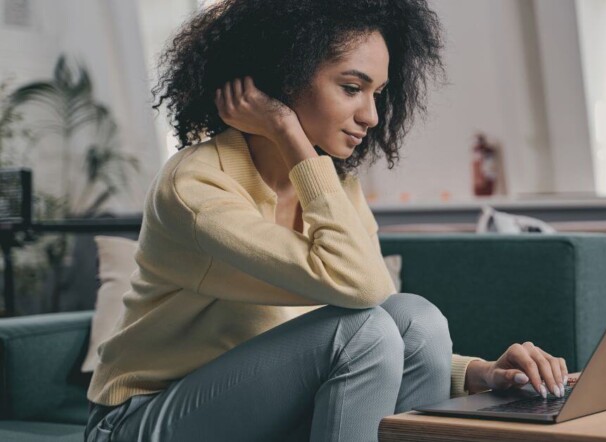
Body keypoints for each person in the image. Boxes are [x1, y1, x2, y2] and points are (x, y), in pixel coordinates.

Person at [84, 1, 568, 440]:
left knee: (417, 319)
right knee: (366, 329)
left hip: (253, 404)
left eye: (378, 93)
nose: (373, 115)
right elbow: (362, 291)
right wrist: (287, 132)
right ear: (281, 76)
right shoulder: (196, 186)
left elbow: (374, 306)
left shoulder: (334, 190)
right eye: (352, 88)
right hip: (140, 419)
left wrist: (480, 373)